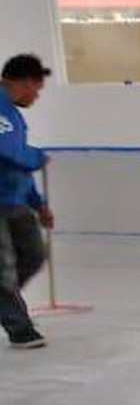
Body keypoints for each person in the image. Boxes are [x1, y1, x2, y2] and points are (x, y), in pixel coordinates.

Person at [0, 54, 53, 349]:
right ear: (24, 83)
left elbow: (17, 164)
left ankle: (6, 304)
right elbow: (7, 151)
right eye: (37, 89)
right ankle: (20, 328)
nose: (36, 96)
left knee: (34, 256)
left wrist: (38, 203)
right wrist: (36, 156)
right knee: (3, 267)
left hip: (16, 201)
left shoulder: (14, 115)